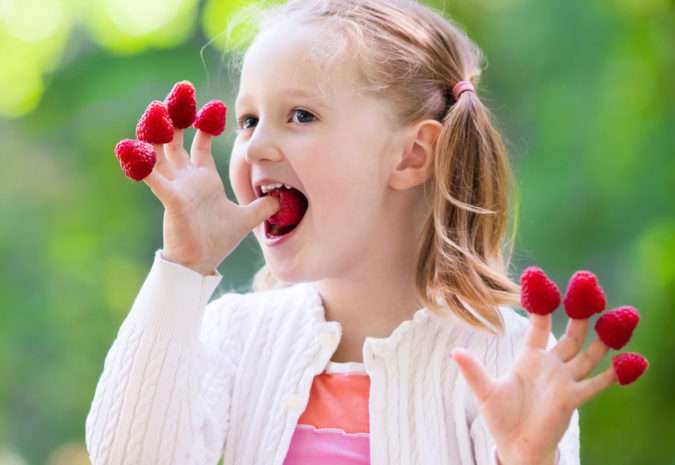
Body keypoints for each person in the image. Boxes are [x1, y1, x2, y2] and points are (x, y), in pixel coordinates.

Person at [85, 1, 622, 464]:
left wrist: (528, 458)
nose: (255, 147)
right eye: (248, 121)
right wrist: (184, 266)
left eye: (300, 115)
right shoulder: (239, 336)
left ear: (411, 155)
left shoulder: (503, 359)